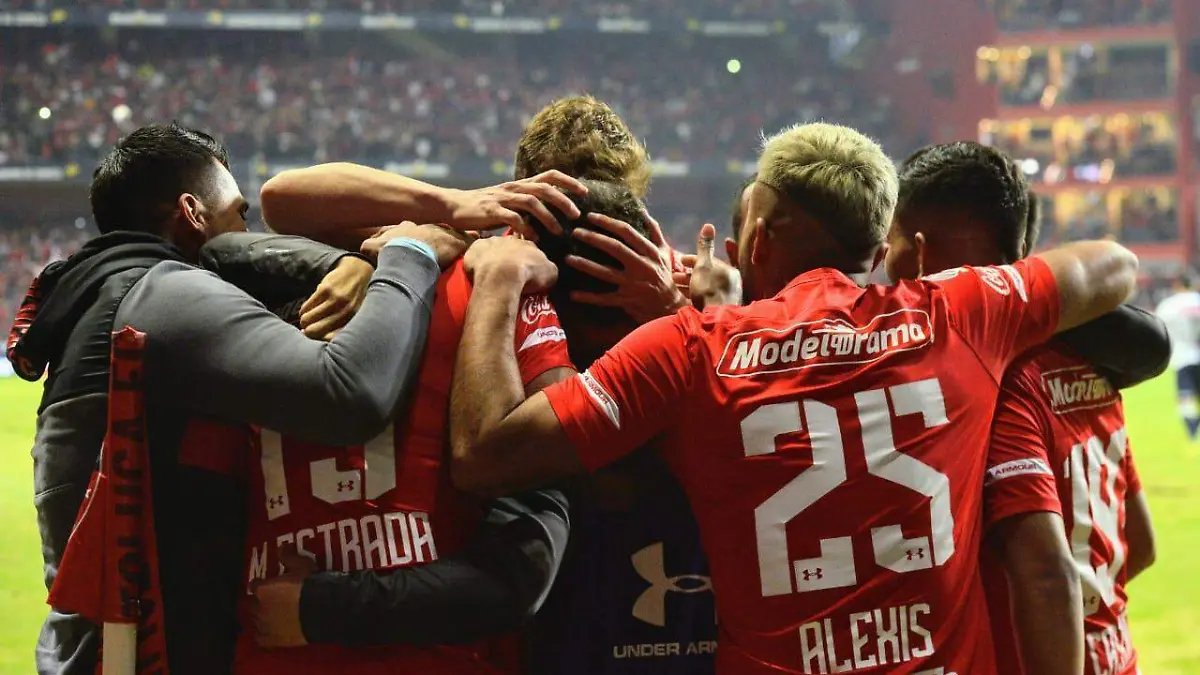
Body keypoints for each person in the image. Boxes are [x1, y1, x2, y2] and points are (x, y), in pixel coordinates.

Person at [447, 122, 1139, 675]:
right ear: (878, 252)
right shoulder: (956, 314)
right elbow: (1114, 265)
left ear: (759, 234)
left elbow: (485, 455)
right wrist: (967, 292)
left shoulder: (691, 348)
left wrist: (500, 278)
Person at [8, 123, 501, 675]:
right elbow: (351, 393)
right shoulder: (164, 298)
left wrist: (342, 264)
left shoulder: (100, 304)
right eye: (239, 215)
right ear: (193, 213)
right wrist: (409, 255)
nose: (248, 233)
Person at [256, 94, 717, 675]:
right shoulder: (489, 248)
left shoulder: (676, 279)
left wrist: (680, 313)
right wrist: (436, 218)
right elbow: (282, 199)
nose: (579, 225)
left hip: (624, 540)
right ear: (522, 199)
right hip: (542, 549)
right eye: (557, 208)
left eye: (598, 206)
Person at [885, 141, 1159, 675]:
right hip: (1116, 657)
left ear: (917, 252)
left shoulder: (986, 381)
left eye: (889, 240)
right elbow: (1140, 544)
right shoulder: (1088, 365)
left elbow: (1046, 576)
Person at [1154, 272, 1200, 441]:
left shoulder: (1169, 305)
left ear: (1177, 285)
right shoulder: (1197, 300)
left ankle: (1192, 429)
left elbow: (1157, 328)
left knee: (1185, 395)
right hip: (1197, 351)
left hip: (1182, 356)